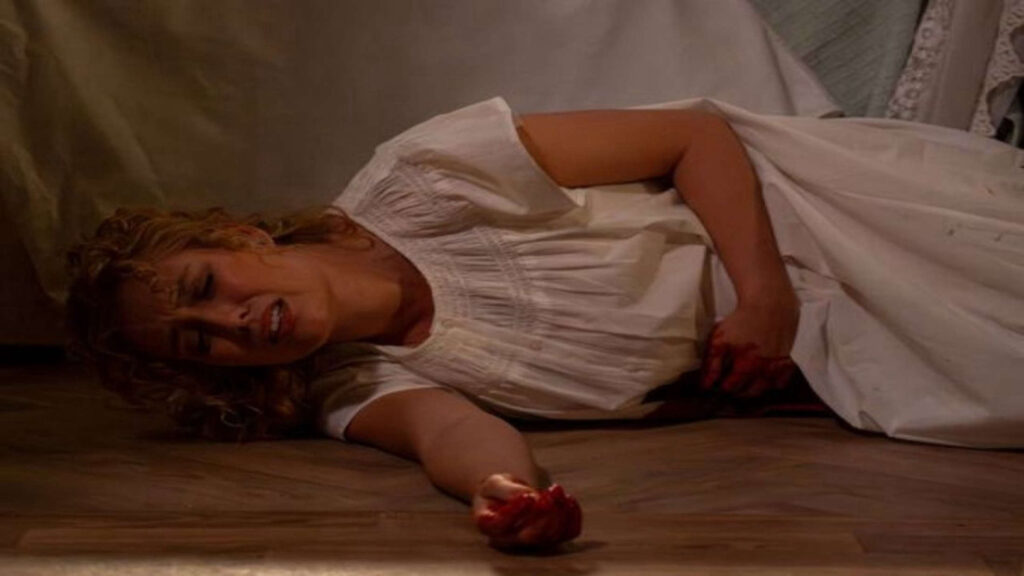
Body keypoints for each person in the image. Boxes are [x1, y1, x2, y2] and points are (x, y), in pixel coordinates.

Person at [66, 97, 1024, 550]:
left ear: (238, 236)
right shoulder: (352, 381)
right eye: (200, 339)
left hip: (783, 224)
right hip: (807, 349)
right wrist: (503, 490)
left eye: (206, 284)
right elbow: (449, 431)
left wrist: (763, 296)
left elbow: (692, 132)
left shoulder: (425, 177)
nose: (231, 321)